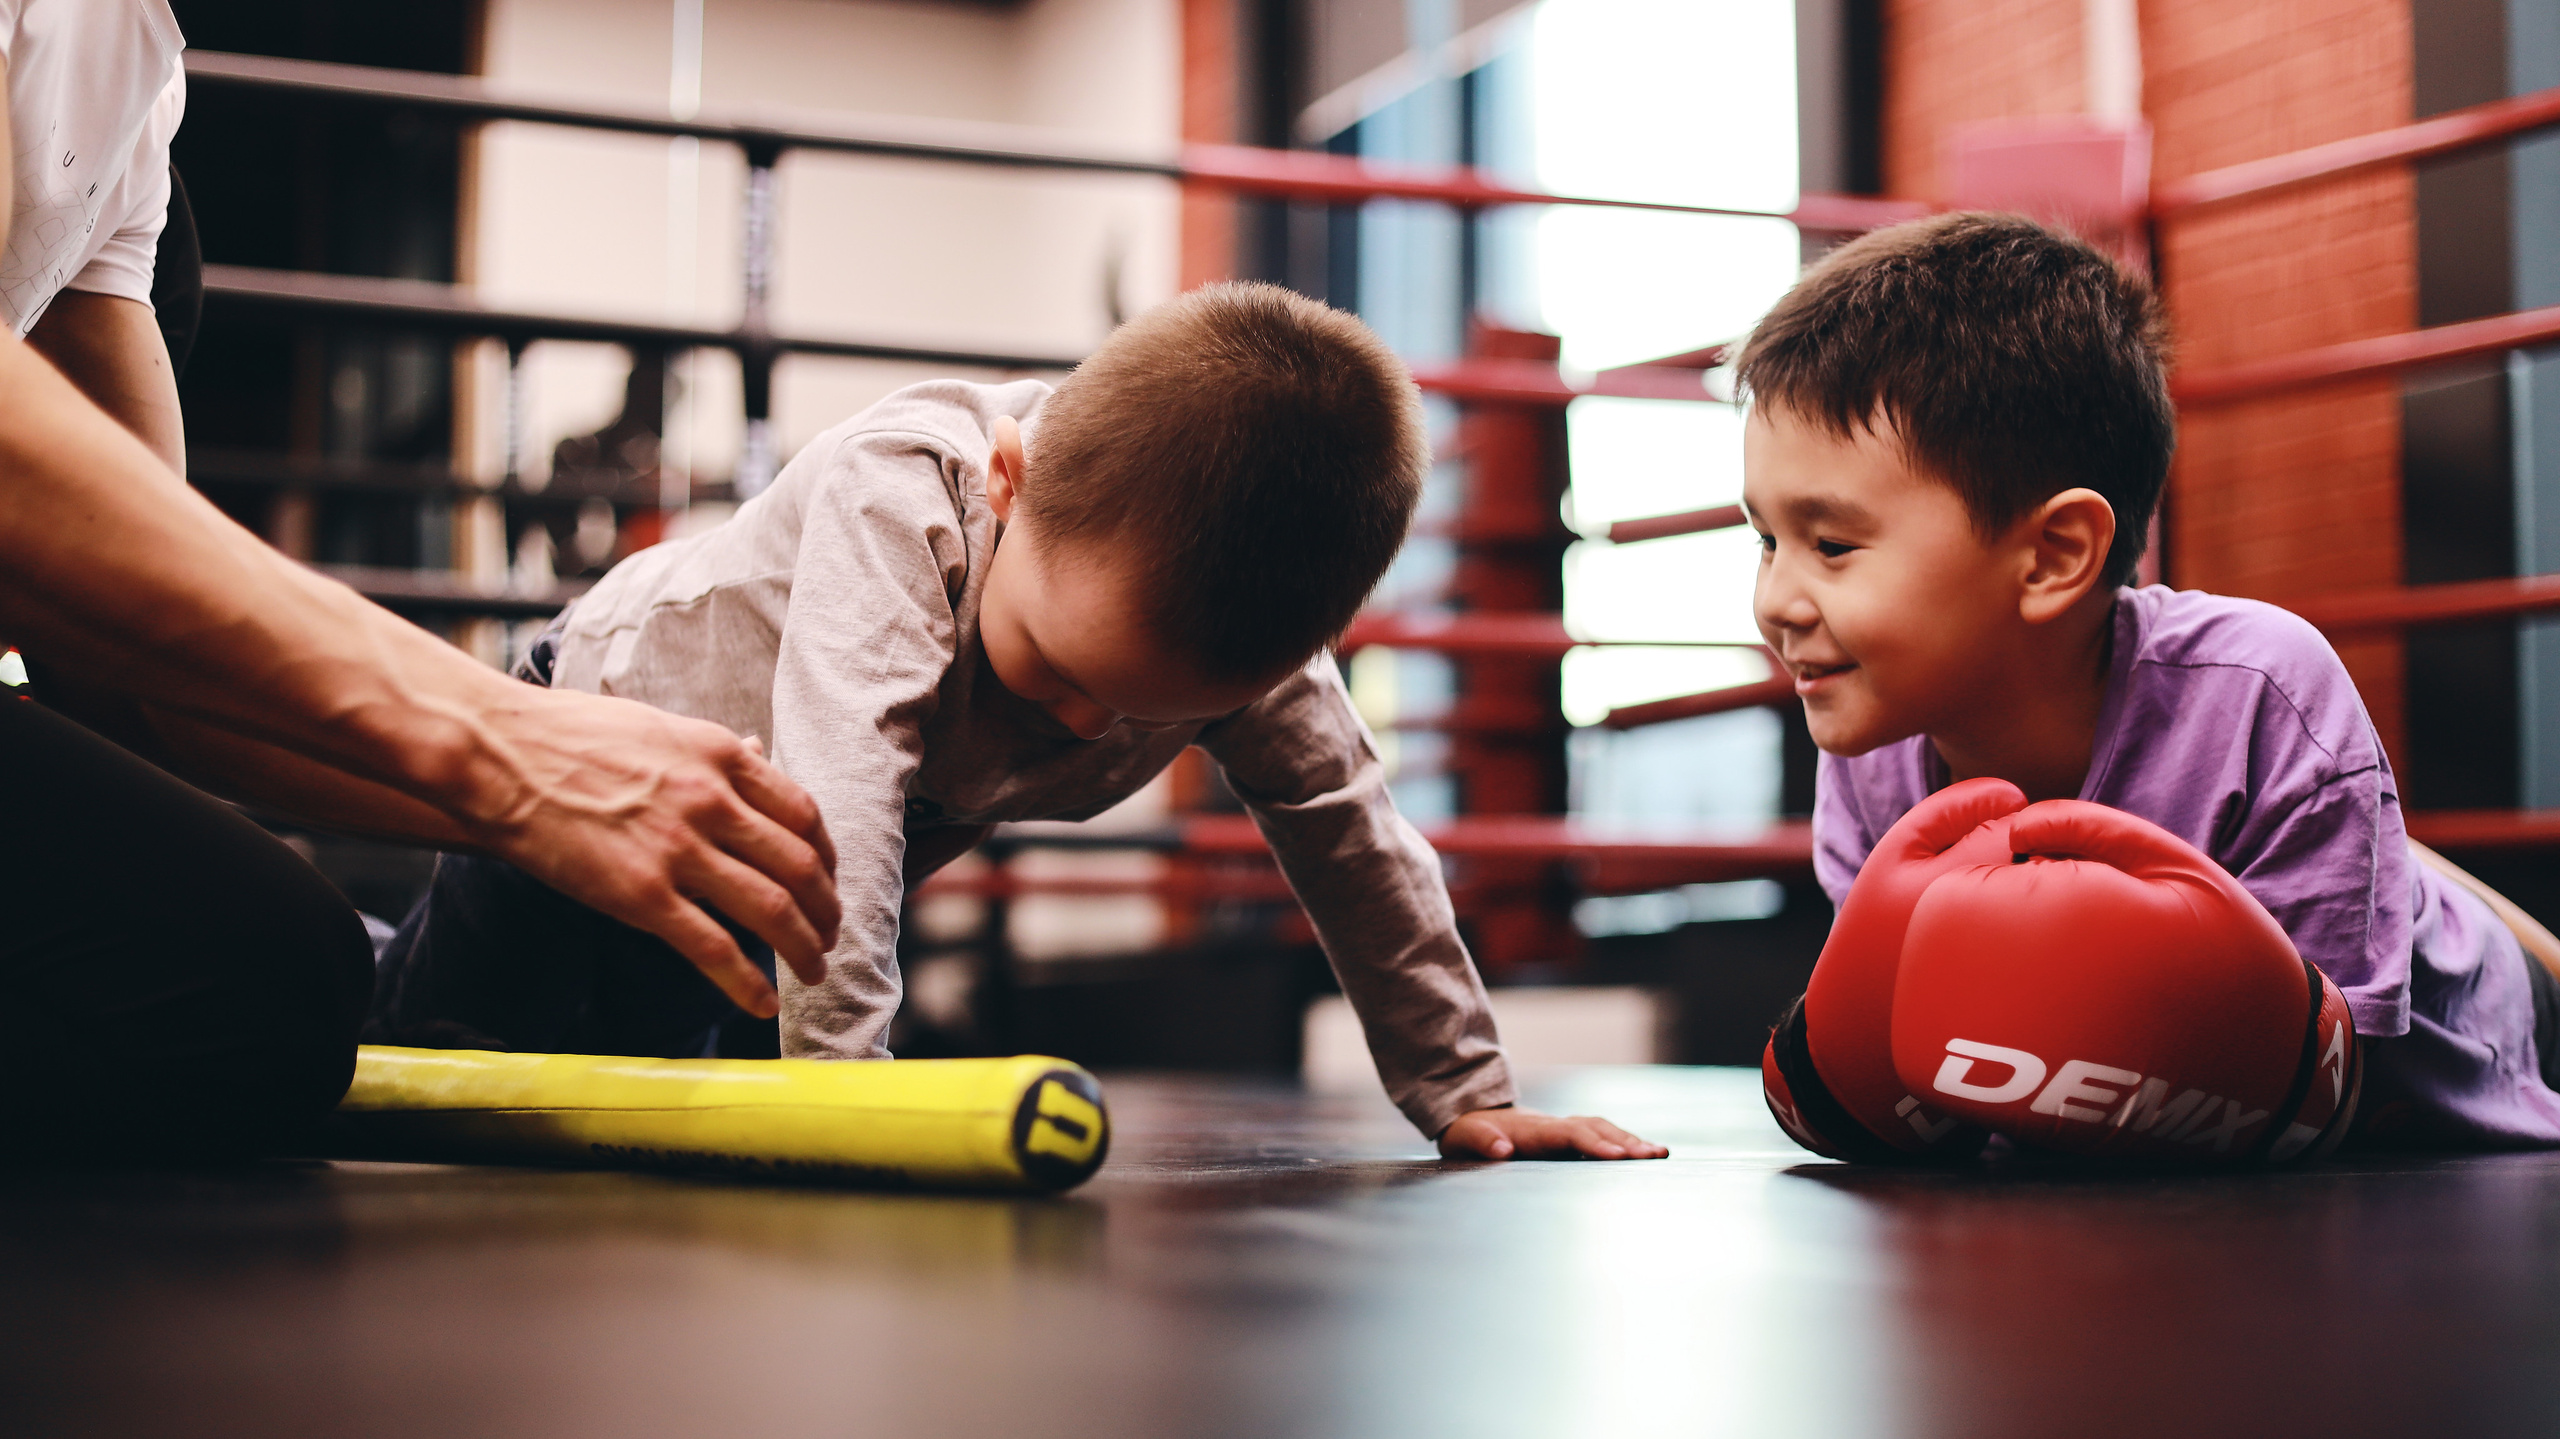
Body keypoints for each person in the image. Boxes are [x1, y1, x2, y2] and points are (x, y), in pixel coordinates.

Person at [369, 283, 1667, 1162]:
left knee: (630, 1095)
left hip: (769, 866)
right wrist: (842, 1094)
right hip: (602, 743)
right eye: (1053, 671)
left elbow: (1354, 837)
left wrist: (1465, 1087)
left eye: (1144, 718)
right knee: (446, 1055)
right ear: (1006, 481)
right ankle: (344, 955)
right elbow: (842, 793)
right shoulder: (903, 500)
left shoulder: (1242, 643)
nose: (1082, 726)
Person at [0, 1, 839, 1159]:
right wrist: (510, 746)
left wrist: (561, 816)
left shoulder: (133, 83)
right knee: (258, 993)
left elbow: (134, 662)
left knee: (273, 988)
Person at [1737, 210, 2560, 1148]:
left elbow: (2338, 1074)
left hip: (2472, 1027)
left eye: (1832, 545)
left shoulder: (2258, 692)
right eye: (1766, 540)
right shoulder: (1872, 736)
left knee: (2442, 916)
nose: (1776, 601)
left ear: (2053, 555)